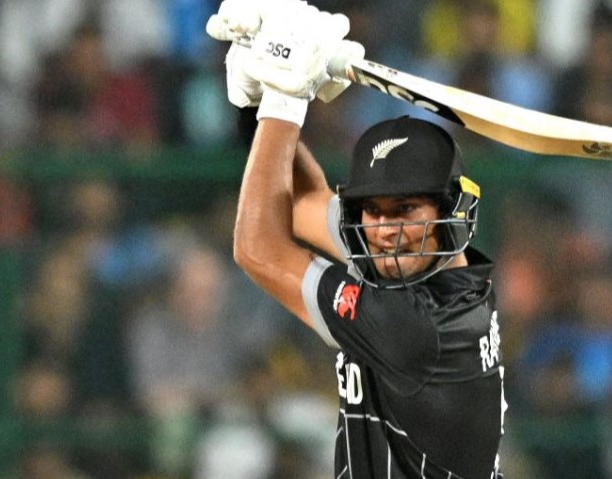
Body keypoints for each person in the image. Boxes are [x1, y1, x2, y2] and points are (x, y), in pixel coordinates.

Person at [209, 1, 506, 477]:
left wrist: (286, 100)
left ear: (450, 211)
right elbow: (300, 201)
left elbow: (257, 248)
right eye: (373, 209)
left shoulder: (414, 326)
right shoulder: (432, 260)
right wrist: (260, 97)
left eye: (405, 209)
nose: (385, 231)